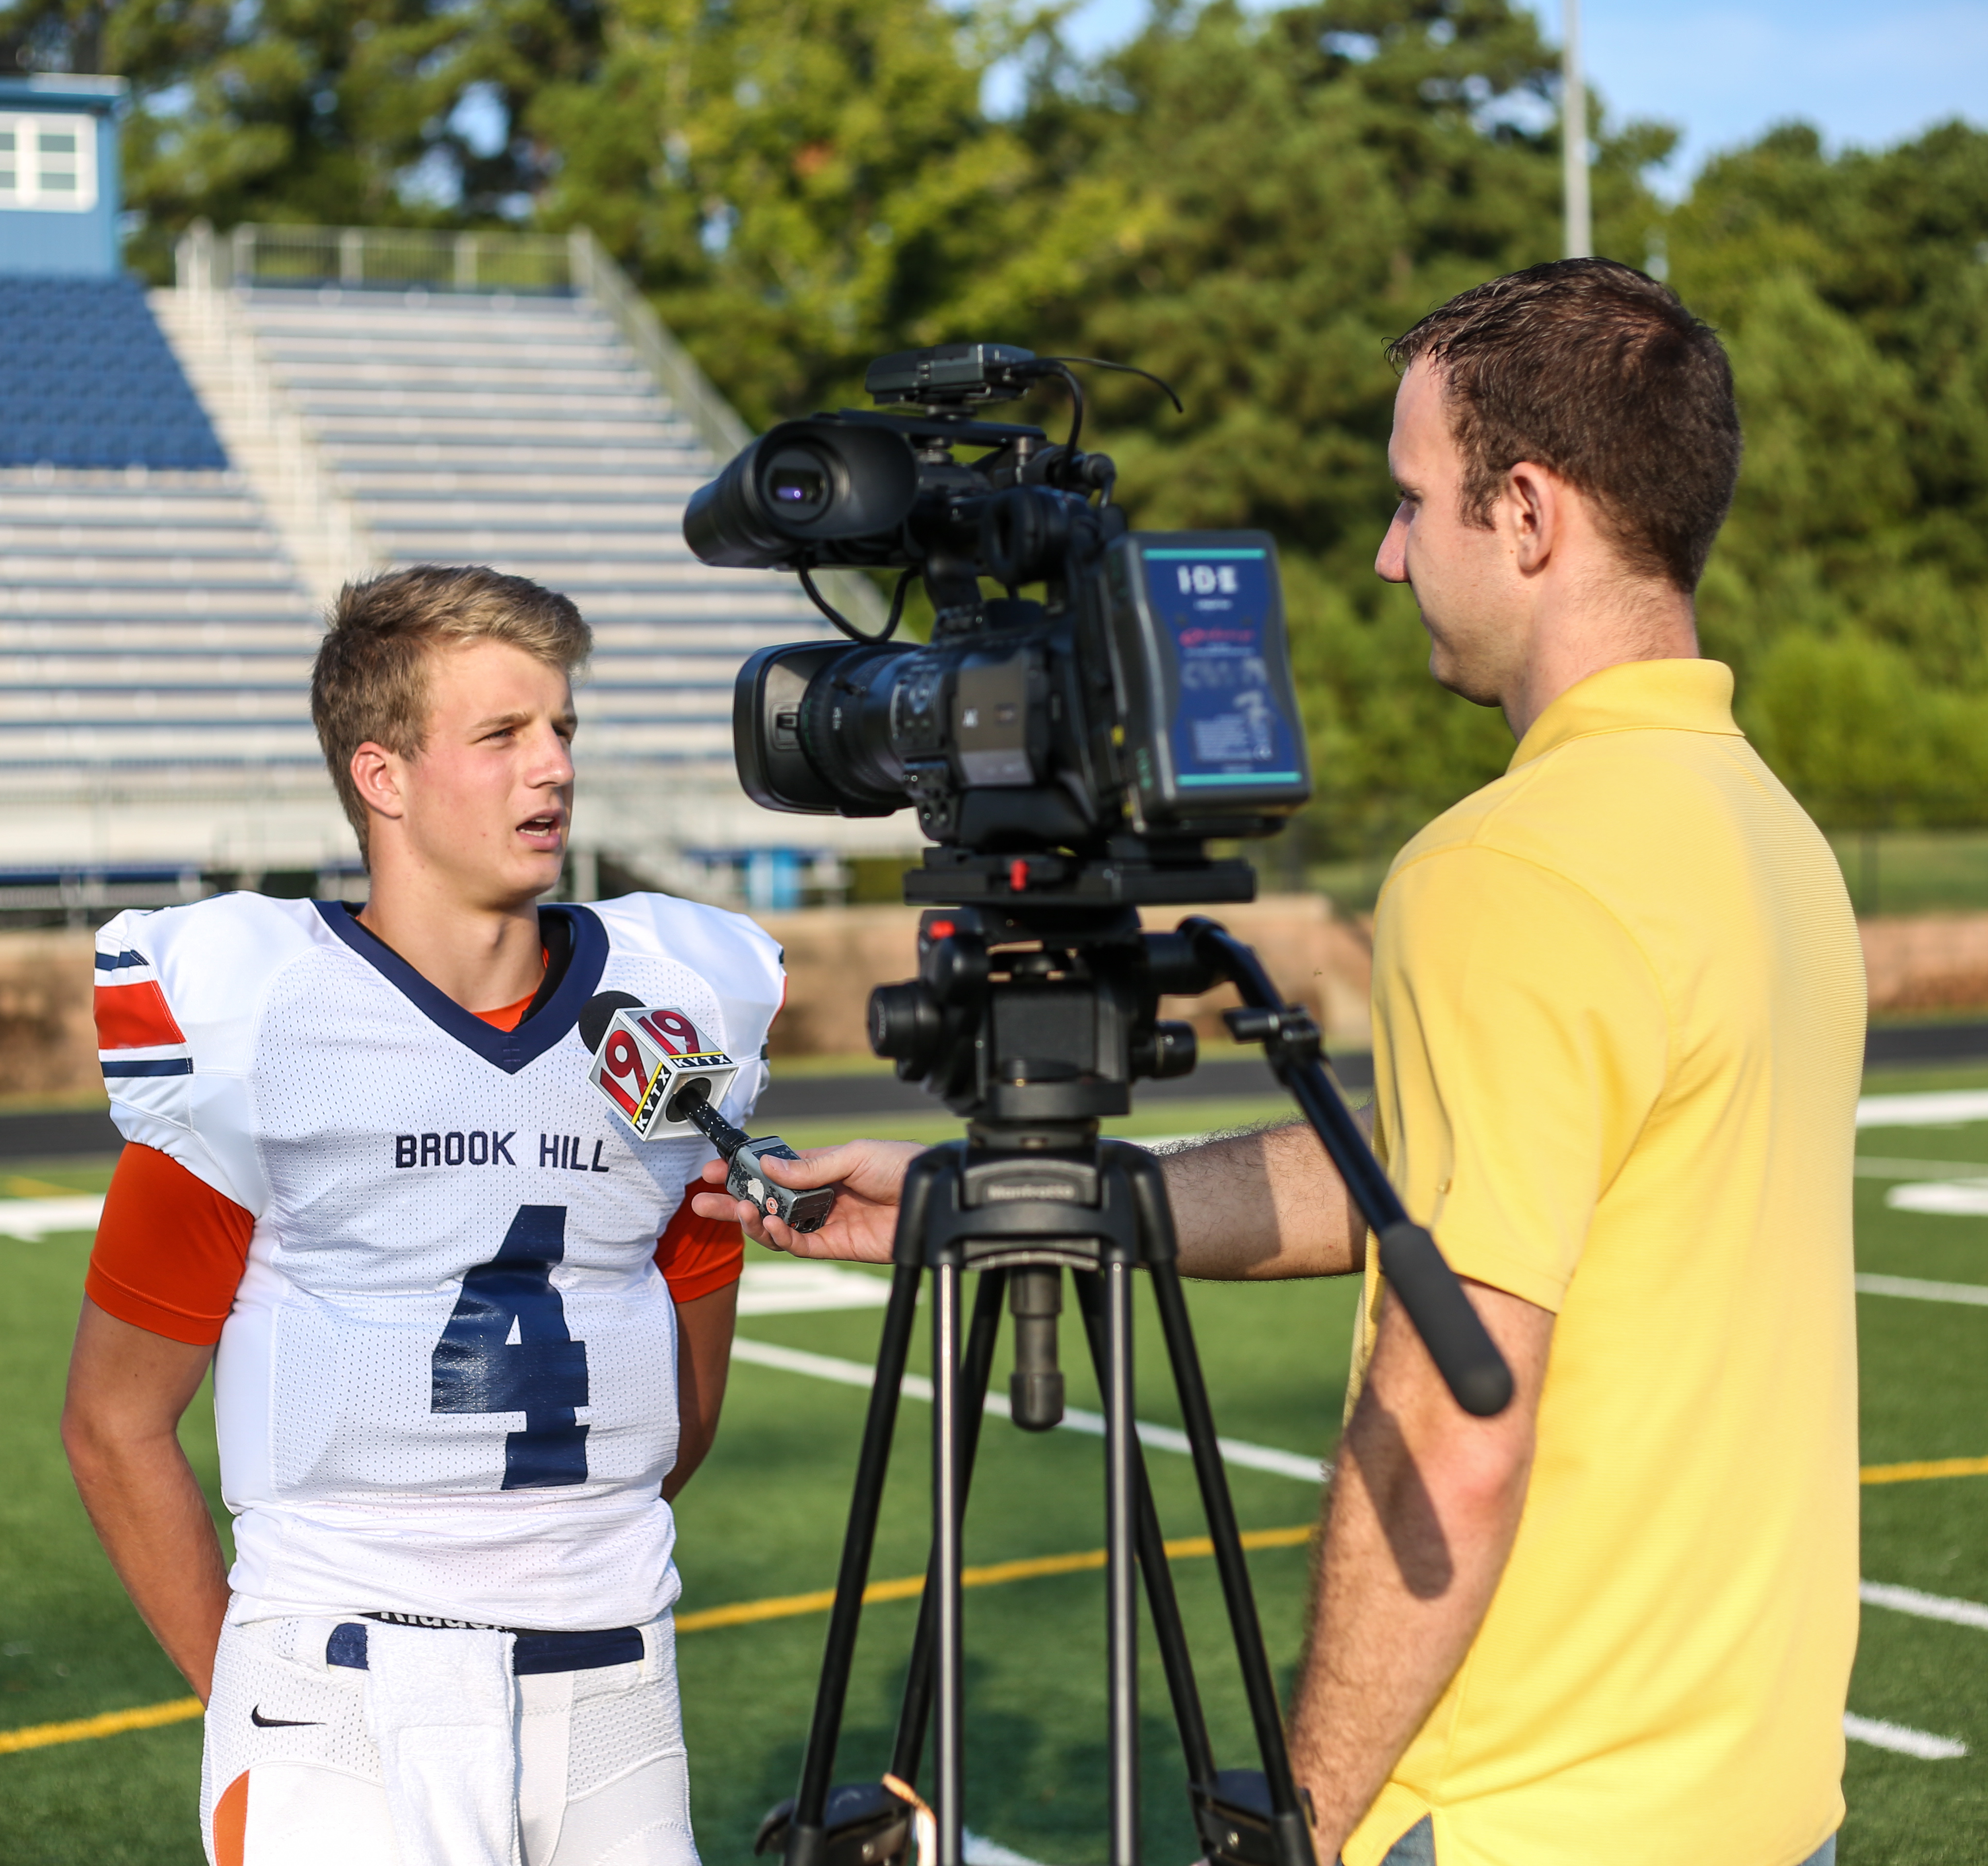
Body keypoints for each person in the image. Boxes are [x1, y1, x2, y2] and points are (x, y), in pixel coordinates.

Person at [698, 260, 1864, 1866]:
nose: (1388, 559)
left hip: (1524, 1806)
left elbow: (1462, 1423)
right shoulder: (1769, 833)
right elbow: (1426, 1187)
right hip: (1754, 1791)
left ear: (1527, 513)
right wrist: (1040, 1197)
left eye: (1411, 504)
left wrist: (1301, 1822)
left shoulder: (1513, 866)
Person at [61, 565, 781, 1866]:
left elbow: (682, 1414)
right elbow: (115, 1425)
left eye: (561, 728)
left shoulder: (680, 1002)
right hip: (344, 1679)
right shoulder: (263, 1016)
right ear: (382, 776)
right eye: (501, 735)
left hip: (619, 1682)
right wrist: (257, 1693)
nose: (550, 768)